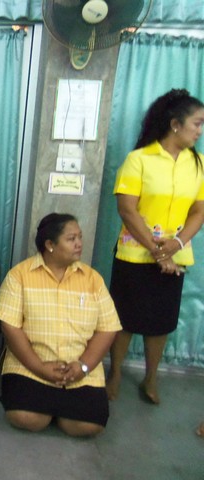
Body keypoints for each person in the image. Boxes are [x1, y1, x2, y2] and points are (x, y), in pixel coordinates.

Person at [106, 89, 204, 405]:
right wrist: (156, 250)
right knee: (124, 319)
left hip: (176, 255)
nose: (200, 131)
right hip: (134, 255)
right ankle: (115, 373)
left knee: (161, 321)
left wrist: (175, 244)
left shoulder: (198, 163)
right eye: (197, 123)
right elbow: (127, 210)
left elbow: (199, 211)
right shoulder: (139, 159)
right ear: (175, 124)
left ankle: (151, 377)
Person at [0, 213, 121, 437]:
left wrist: (83, 366)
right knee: (25, 418)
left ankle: (59, 409)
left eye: (80, 237)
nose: (79, 244)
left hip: (79, 368)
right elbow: (10, 327)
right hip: (30, 365)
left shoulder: (93, 279)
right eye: (71, 239)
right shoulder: (19, 276)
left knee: (89, 426)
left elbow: (108, 327)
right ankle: (52, 409)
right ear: (50, 245)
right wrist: (38, 367)